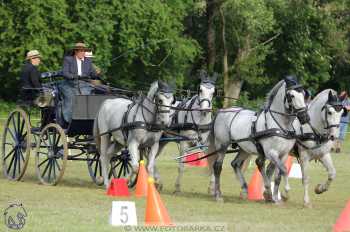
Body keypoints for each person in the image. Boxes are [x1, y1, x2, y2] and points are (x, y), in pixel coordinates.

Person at [60, 42, 99, 124]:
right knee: (72, 96)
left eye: (84, 51)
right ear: (76, 51)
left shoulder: (88, 61)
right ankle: (69, 119)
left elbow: (93, 74)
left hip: (84, 85)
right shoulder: (68, 60)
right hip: (69, 84)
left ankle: (90, 117)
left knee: (95, 94)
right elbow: (65, 73)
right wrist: (74, 76)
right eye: (81, 51)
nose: (83, 53)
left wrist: (96, 73)